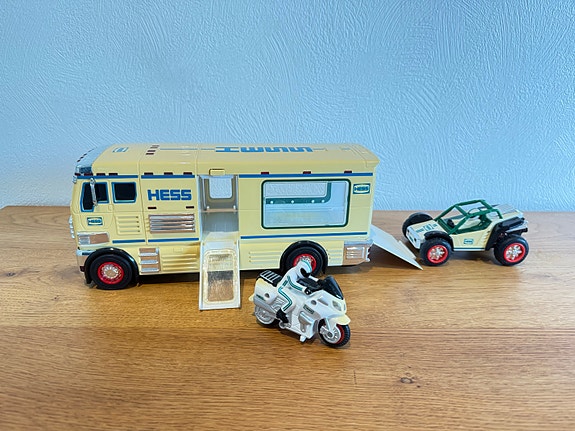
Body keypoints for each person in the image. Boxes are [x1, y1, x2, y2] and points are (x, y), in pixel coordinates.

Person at [276, 258, 315, 324]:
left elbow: (308, 276)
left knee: (303, 298)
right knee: (292, 302)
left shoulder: (299, 271)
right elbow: (293, 284)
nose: (305, 275)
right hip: (282, 289)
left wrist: (318, 281)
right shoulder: (291, 273)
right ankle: (281, 312)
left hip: (290, 289)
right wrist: (304, 289)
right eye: (304, 273)